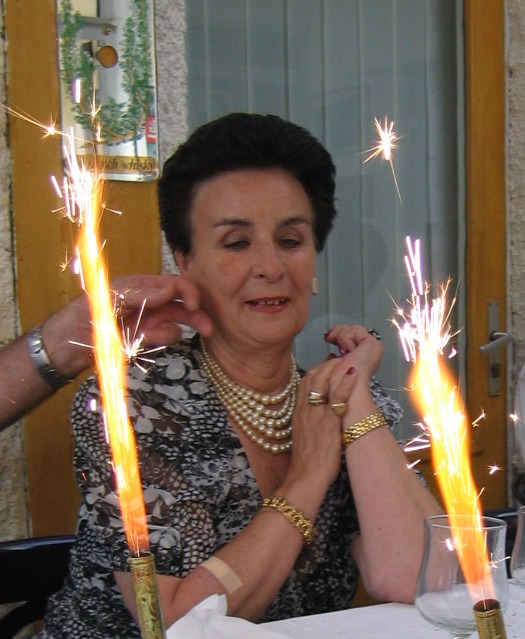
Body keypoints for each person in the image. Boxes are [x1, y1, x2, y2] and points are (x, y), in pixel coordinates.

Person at [39, 113, 442, 638]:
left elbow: (420, 576)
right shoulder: (136, 403)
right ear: (185, 260)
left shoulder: (338, 396)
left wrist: (356, 394)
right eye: (236, 243)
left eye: (291, 240)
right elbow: (175, 623)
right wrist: (308, 475)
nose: (271, 267)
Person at [0, 273, 213, 430]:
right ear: (184, 259)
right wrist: (64, 343)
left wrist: (63, 342)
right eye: (230, 244)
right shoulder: (126, 403)